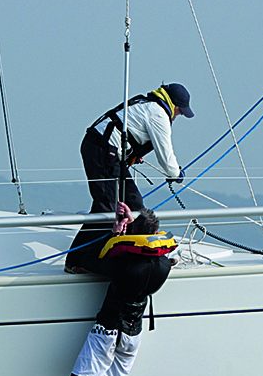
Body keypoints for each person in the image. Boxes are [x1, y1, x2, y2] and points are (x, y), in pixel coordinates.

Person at [65, 202, 176, 376]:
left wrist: (114, 234)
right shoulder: (164, 265)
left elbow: (81, 258)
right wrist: (130, 226)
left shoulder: (124, 267)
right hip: (133, 335)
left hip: (109, 332)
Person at [65, 83, 193, 273]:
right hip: (102, 149)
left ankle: (136, 251)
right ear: (172, 104)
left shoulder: (147, 105)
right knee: (106, 206)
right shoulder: (158, 113)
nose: (180, 114)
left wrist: (130, 152)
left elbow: (131, 131)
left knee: (135, 204)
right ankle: (76, 260)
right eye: (180, 110)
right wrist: (176, 174)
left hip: (107, 150)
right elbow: (166, 156)